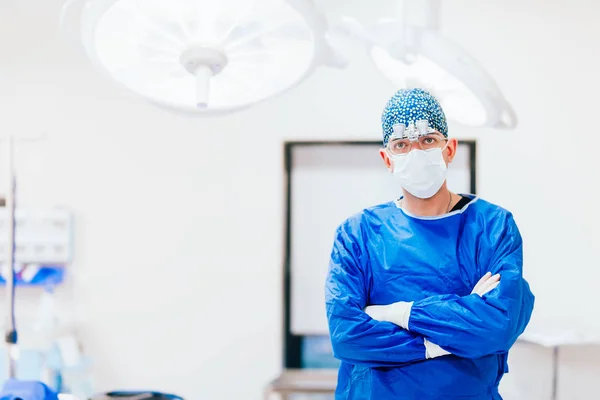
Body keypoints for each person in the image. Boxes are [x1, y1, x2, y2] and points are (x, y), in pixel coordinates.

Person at [324, 88, 535, 400]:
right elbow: (347, 335)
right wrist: (450, 334)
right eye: (401, 144)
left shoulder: (492, 228)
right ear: (387, 158)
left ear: (449, 149)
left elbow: (496, 327)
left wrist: (397, 313)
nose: (415, 153)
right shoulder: (357, 234)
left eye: (427, 140)